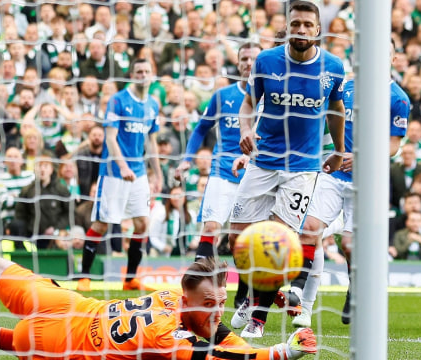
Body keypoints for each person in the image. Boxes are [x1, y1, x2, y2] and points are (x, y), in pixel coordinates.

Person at [0, 222, 317, 360]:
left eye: (221, 303)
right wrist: (283, 352)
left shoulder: (171, 303)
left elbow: (219, 334)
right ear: (186, 301)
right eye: (212, 304)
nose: (218, 312)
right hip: (62, 343)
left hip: (69, 307)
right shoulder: (167, 340)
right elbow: (223, 355)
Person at [229, 1, 346, 338]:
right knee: (237, 239)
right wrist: (245, 131)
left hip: (302, 168)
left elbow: (336, 109)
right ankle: (253, 297)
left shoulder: (333, 67)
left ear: (318, 30)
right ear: (288, 26)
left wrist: (338, 150)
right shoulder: (266, 61)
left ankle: (257, 318)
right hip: (263, 161)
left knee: (277, 241)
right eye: (296, 24)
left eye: (308, 25)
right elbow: (249, 103)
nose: (302, 30)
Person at [290, 40, 410, 328]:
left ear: (393, 58)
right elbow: (328, 121)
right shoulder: (347, 87)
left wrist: (362, 156)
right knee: (309, 228)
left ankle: (355, 288)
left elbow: (393, 146)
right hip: (334, 174)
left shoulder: (398, 98)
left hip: (367, 182)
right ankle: (296, 293)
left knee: (351, 245)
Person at [76, 59, 163, 292]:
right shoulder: (118, 100)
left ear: (152, 76)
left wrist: (158, 173)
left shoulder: (152, 105)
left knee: (142, 223)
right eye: (139, 71)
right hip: (114, 172)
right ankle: (84, 277)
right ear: (132, 75)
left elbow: (152, 142)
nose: (143, 75)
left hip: (139, 173)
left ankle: (130, 278)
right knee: (102, 224)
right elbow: (110, 137)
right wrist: (122, 166)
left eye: (147, 71)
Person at [173, 42, 262, 263]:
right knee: (211, 226)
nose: (248, 63)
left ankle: (247, 293)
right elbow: (201, 128)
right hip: (223, 171)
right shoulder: (223, 96)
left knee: (246, 238)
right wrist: (187, 160)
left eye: (253, 59)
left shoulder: (272, 98)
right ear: (237, 62)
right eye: (244, 59)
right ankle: (198, 284)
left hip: (257, 175)